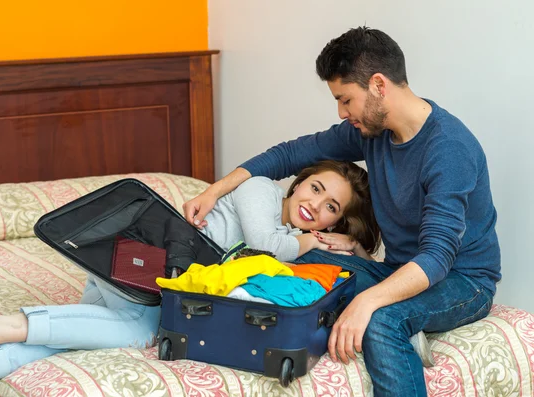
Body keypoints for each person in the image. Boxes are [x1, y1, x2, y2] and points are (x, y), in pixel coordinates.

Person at [181, 27, 500, 397]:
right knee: (303, 255)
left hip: (462, 281)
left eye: (345, 99)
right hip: (399, 270)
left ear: (379, 85)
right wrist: (215, 190)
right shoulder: (373, 133)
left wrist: (368, 299)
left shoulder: (449, 150)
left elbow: (438, 256)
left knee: (381, 319)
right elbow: (289, 155)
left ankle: (397, 325)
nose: (341, 112)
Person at [0, 160, 380, 396]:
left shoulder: (293, 240)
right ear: (298, 182)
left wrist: (352, 247)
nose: (316, 206)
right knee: (141, 332)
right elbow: (266, 241)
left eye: (330, 209)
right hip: (144, 267)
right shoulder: (259, 189)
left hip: (141, 284)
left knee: (80, 339)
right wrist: (311, 241)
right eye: (315, 189)